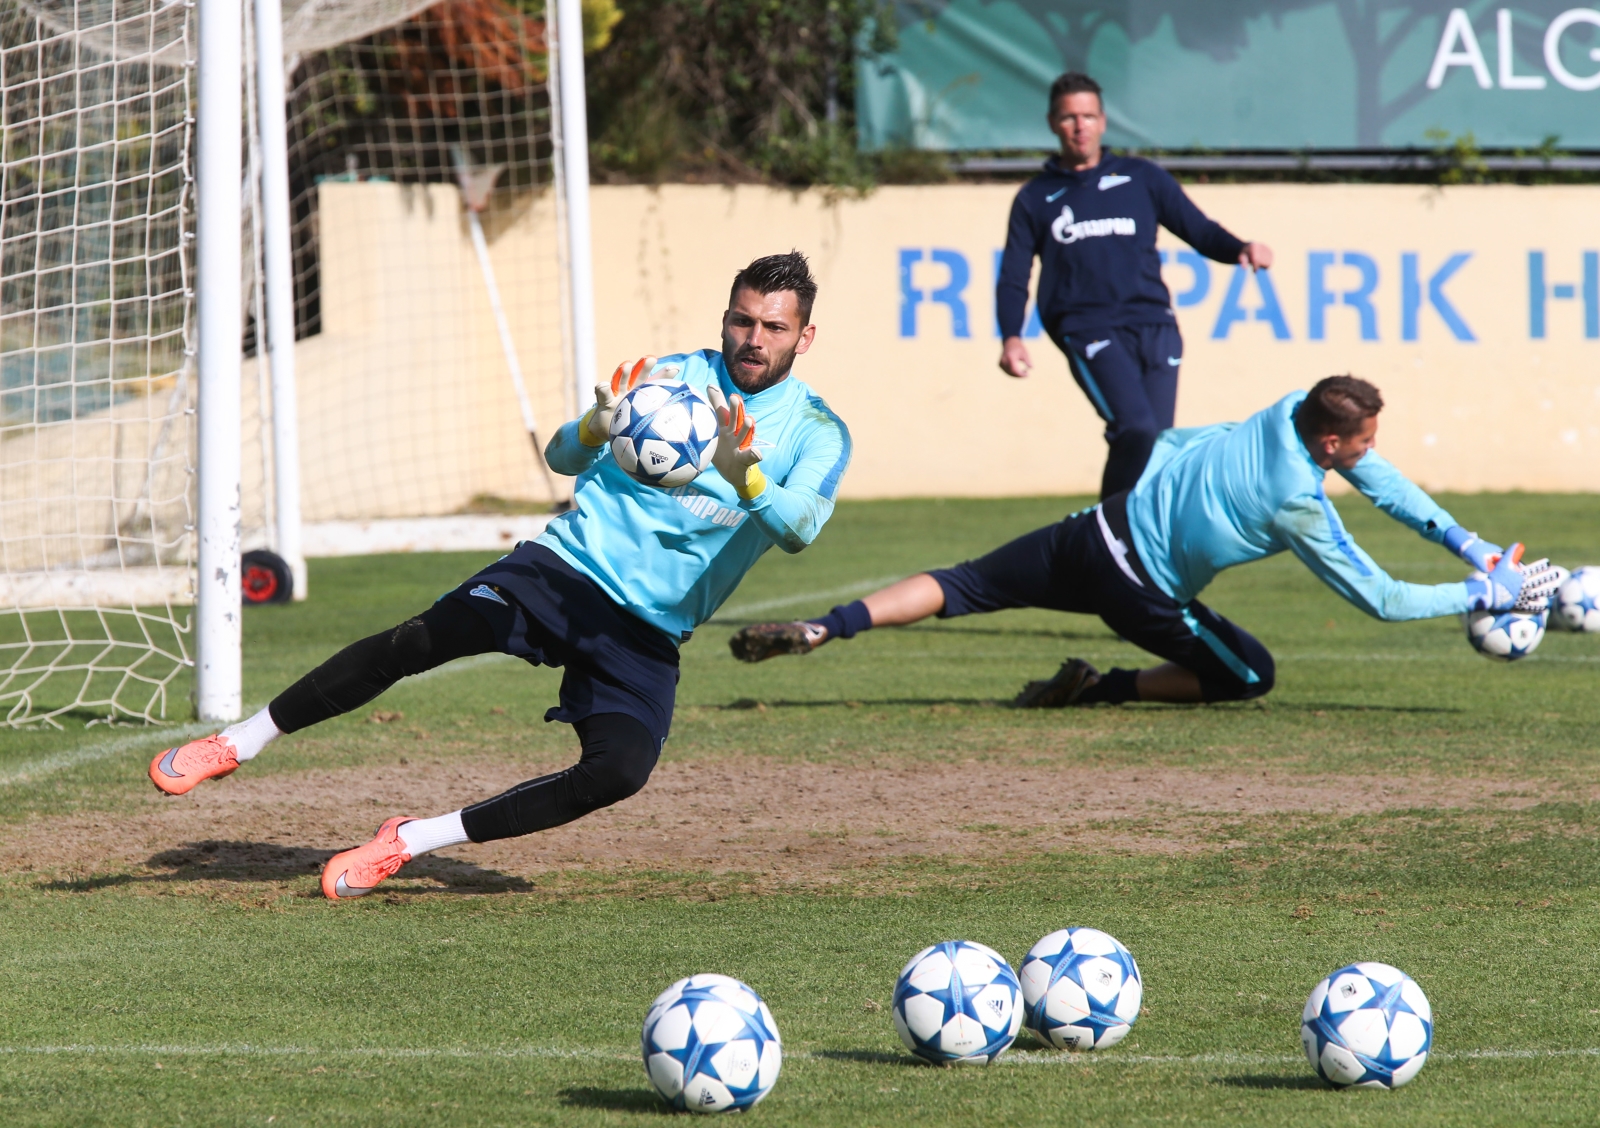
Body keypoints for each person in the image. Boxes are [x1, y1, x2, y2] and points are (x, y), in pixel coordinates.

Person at [150, 252, 851, 899]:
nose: (752, 339)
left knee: (619, 771)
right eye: (741, 320)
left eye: (773, 327)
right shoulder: (670, 380)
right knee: (426, 638)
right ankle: (238, 740)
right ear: (725, 318)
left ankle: (410, 839)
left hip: (650, 627)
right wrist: (597, 426)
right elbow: (563, 457)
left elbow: (799, 529)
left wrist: (745, 473)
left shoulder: (815, 430)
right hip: (566, 571)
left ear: (804, 337)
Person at [728, 376, 1559, 707]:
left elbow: (1379, 480)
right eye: (1364, 440)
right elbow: (1377, 597)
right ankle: (1103, 688)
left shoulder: (1289, 408)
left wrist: (1465, 541)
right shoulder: (1297, 504)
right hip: (1138, 587)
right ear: (1331, 444)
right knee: (1248, 675)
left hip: (1096, 527)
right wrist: (1484, 590)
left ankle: (824, 628)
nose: (1371, 453)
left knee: (962, 582)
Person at [997, 71, 1274, 499]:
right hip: (1087, 326)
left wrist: (1240, 247)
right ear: (1053, 123)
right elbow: (1015, 274)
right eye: (1069, 117)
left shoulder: (1140, 178)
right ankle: (1105, 536)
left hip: (1154, 323)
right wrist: (1012, 336)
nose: (1080, 126)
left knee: (1157, 446)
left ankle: (1128, 547)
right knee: (1135, 427)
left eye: (1089, 116)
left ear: (1103, 122)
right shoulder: (1036, 197)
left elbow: (1197, 229)